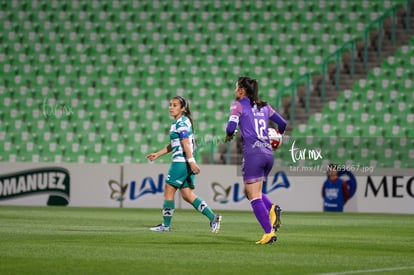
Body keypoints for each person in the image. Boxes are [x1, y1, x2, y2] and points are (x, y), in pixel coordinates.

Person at [225, 76, 287, 244]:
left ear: (242, 91)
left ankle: (268, 233)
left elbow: (231, 128)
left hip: (253, 155)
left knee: (254, 197)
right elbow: (282, 123)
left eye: (236, 87)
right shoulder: (265, 106)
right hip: (268, 154)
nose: (234, 90)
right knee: (249, 191)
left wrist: (229, 135)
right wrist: (276, 136)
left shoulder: (237, 105)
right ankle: (272, 208)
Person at [146, 95, 222, 233]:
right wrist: (158, 154)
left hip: (181, 162)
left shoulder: (181, 123)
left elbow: (186, 143)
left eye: (175, 105)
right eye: (170, 104)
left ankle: (166, 226)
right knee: (187, 195)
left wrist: (191, 162)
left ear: (183, 108)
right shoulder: (180, 122)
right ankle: (213, 217)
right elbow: (175, 144)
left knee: (169, 190)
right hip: (185, 162)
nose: (171, 107)